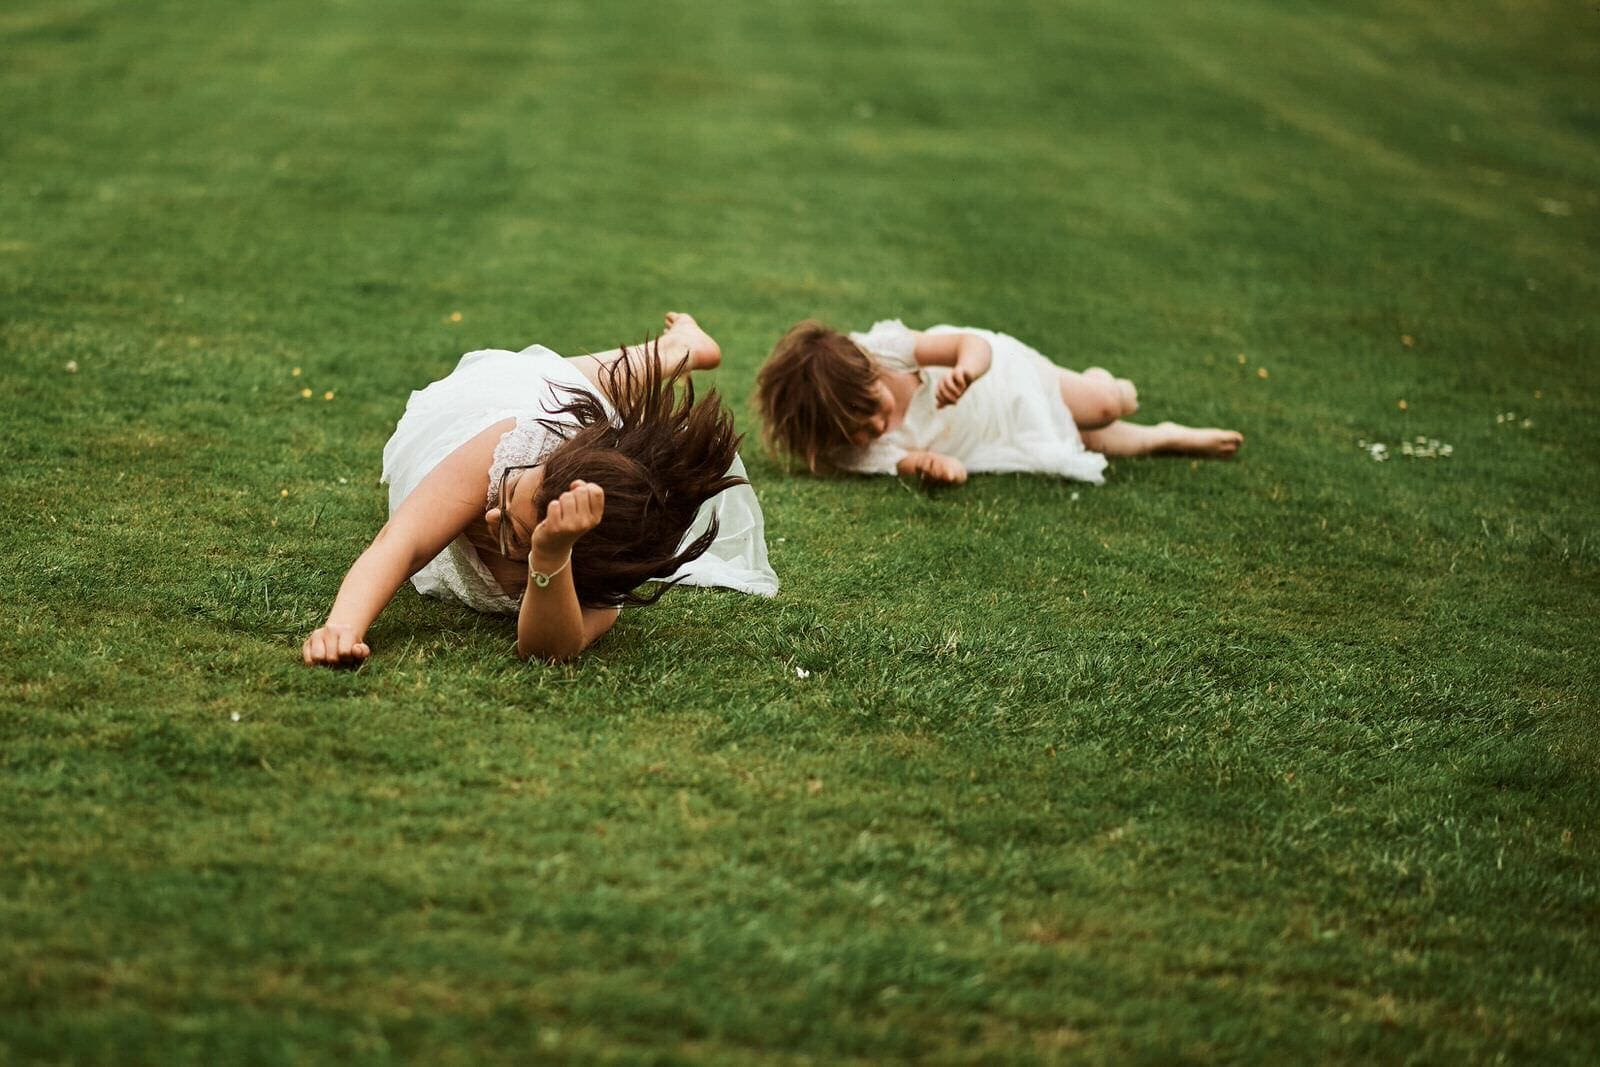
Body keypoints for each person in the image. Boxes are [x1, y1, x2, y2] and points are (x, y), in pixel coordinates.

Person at [302, 313, 777, 667]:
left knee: (577, 395)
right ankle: (679, 350)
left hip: (573, 513)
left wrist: (549, 556)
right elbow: (399, 545)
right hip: (491, 405)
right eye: (505, 496)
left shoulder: (600, 580)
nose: (489, 517)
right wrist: (342, 628)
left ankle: (679, 351)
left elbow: (548, 652)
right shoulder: (506, 452)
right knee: (563, 382)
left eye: (512, 531)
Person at [755, 318, 1243, 484]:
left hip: (999, 382)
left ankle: (1103, 383)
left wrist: (967, 371)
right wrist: (937, 469)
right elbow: (913, 462)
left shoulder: (886, 349)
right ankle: (1164, 437)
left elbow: (971, 345)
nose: (875, 430)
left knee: (1103, 407)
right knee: (1092, 441)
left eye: (873, 410)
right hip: (985, 434)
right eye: (856, 434)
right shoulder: (856, 451)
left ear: (868, 370)